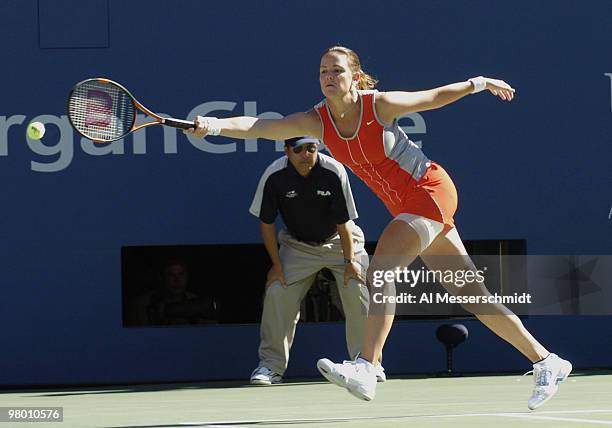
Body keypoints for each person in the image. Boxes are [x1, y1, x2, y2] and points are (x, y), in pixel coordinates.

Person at [184, 46, 571, 409]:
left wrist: (479, 83)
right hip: (406, 206)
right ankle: (547, 360)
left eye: (337, 70)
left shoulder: (379, 105)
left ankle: (367, 365)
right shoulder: (316, 120)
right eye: (323, 71)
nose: (328, 77)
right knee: (472, 293)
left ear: (355, 77)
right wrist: (213, 125)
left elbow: (433, 97)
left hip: (429, 190)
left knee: (382, 269)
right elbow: (260, 126)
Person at [248, 136, 385, 385]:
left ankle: (368, 364)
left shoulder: (333, 171)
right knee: (278, 291)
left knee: (358, 288)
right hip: (297, 246)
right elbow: (266, 224)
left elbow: (343, 223)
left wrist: (350, 261)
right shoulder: (274, 175)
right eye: (298, 149)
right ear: (287, 151)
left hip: (340, 241)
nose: (305, 155)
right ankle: (270, 366)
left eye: (311, 148)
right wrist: (277, 267)